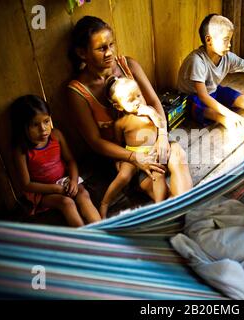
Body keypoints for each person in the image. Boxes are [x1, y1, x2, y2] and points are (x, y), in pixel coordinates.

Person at [67, 16, 193, 209]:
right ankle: (176, 212)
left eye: (111, 45)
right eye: (101, 48)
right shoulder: (78, 92)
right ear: (82, 53)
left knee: (177, 155)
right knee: (163, 193)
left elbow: (154, 103)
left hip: (154, 139)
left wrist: (162, 136)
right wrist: (134, 158)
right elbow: (95, 142)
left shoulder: (128, 66)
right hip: (126, 162)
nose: (109, 52)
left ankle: (185, 207)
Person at [177, 14, 244, 130]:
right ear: (209, 40)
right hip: (192, 98)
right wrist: (230, 115)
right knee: (201, 108)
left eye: (230, 40)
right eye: (226, 40)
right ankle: (222, 119)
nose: (229, 45)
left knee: (240, 98)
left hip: (213, 91)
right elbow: (203, 96)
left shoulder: (227, 58)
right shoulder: (197, 61)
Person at [10, 95, 101, 227]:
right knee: (67, 203)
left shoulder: (56, 136)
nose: (43, 129)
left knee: (83, 194)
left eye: (46, 121)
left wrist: (74, 181)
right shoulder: (22, 150)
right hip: (41, 191)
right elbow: (26, 184)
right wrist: (55, 189)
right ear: (23, 126)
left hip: (63, 181)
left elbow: (70, 161)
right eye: (35, 125)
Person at [99, 76, 170, 217]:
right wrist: (118, 161)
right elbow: (118, 144)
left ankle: (160, 206)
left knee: (158, 174)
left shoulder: (150, 112)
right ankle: (104, 203)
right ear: (119, 106)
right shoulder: (121, 123)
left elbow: (161, 124)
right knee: (123, 176)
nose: (138, 101)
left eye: (139, 95)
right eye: (131, 100)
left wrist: (151, 113)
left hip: (152, 152)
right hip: (132, 155)